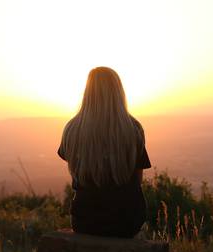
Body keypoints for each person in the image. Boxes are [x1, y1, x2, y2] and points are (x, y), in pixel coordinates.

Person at [57, 66, 151, 238]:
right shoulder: (133, 128)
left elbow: (76, 172)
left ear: (87, 92)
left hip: (85, 221)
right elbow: (137, 181)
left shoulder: (72, 129)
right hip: (127, 221)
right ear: (118, 92)